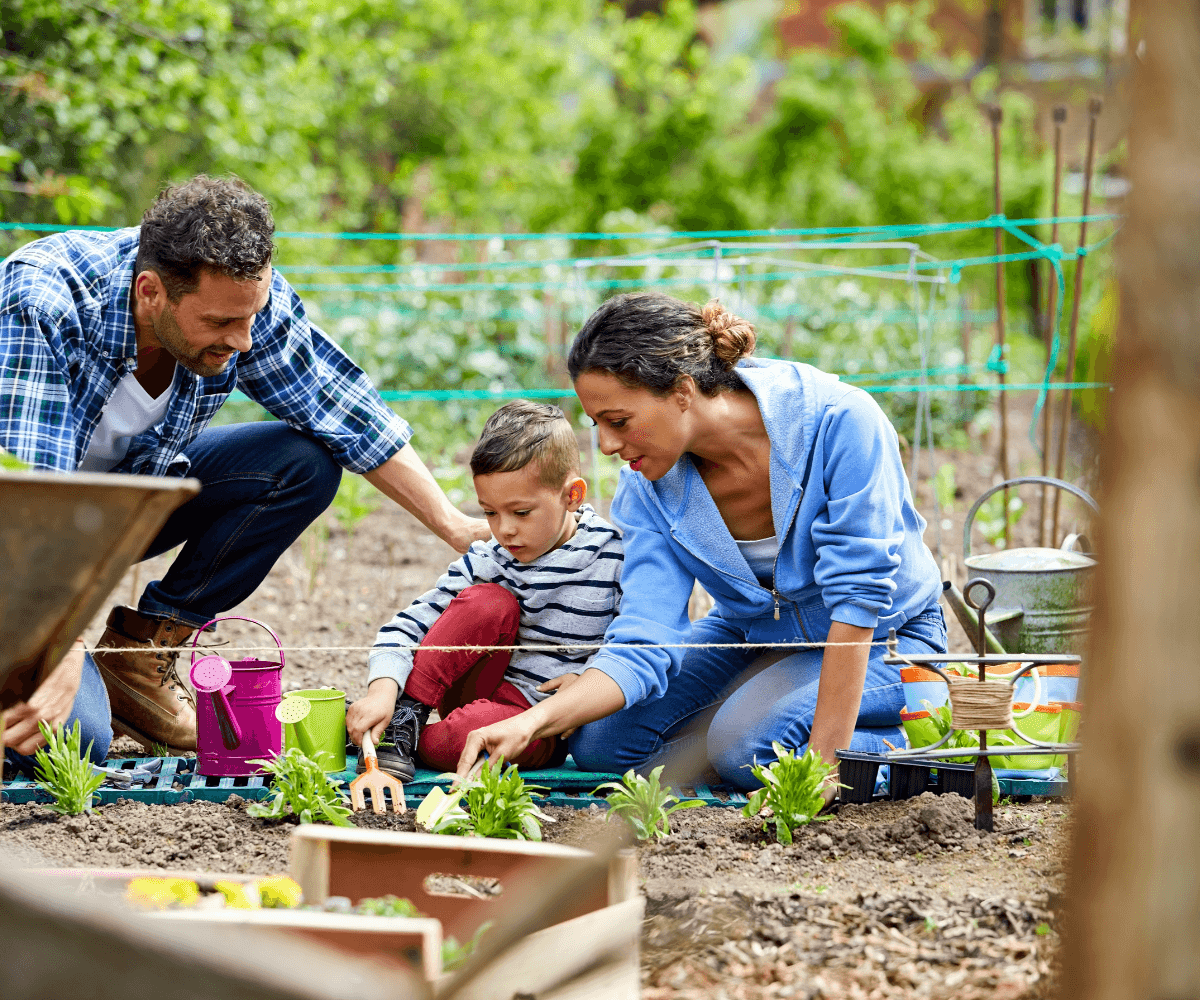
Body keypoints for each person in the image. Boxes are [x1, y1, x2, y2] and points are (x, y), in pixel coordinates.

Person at [0, 175, 488, 772]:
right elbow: (25, 504)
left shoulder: (241, 300)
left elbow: (346, 412)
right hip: (19, 543)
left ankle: (136, 658)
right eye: (221, 323)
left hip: (110, 519)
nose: (244, 339)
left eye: (250, 316)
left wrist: (456, 526)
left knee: (300, 464)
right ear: (151, 292)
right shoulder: (43, 301)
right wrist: (62, 647)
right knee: (68, 742)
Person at [451, 292, 946, 794]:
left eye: (618, 421)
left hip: (889, 639)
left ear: (683, 391)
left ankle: (931, 734)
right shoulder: (648, 487)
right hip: (754, 636)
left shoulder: (840, 422)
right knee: (602, 744)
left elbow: (858, 601)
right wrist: (534, 721)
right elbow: (645, 634)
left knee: (748, 751)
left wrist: (823, 766)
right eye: (596, 424)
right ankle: (749, 718)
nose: (605, 445)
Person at [346, 400, 623, 779]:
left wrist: (587, 682)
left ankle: (392, 738)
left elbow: (633, 643)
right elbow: (408, 626)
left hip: (539, 722)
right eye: (489, 512)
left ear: (571, 495)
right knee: (488, 601)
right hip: (473, 686)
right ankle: (400, 719)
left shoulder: (613, 557)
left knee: (465, 737)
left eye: (521, 512)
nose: (504, 529)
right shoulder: (491, 557)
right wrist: (383, 689)